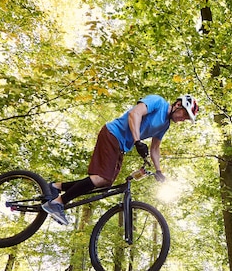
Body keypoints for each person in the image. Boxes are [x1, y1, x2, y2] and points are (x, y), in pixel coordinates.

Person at [42, 93, 199, 225]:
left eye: (187, 118)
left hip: (121, 145)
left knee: (105, 182)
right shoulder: (158, 102)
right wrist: (137, 141)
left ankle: (56, 187)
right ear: (178, 104)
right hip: (113, 134)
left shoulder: (165, 125)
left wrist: (159, 170)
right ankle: (58, 203)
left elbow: (155, 148)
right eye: (184, 114)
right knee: (101, 178)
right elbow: (134, 114)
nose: (183, 119)